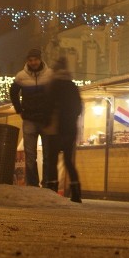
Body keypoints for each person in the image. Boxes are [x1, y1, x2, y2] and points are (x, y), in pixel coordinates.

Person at [9, 48, 54, 188]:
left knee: (47, 155)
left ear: (40, 59)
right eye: (30, 60)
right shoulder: (21, 76)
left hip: (46, 119)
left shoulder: (50, 74)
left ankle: (46, 183)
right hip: (29, 119)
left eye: (35, 59)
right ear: (27, 61)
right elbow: (13, 92)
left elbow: (57, 93)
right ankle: (33, 185)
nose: (33, 62)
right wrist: (19, 109)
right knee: (30, 156)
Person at [49, 57, 83, 203]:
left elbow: (48, 106)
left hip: (56, 128)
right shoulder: (73, 86)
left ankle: (52, 192)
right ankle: (76, 194)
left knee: (52, 161)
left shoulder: (53, 85)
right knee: (69, 161)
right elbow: (79, 108)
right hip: (70, 129)